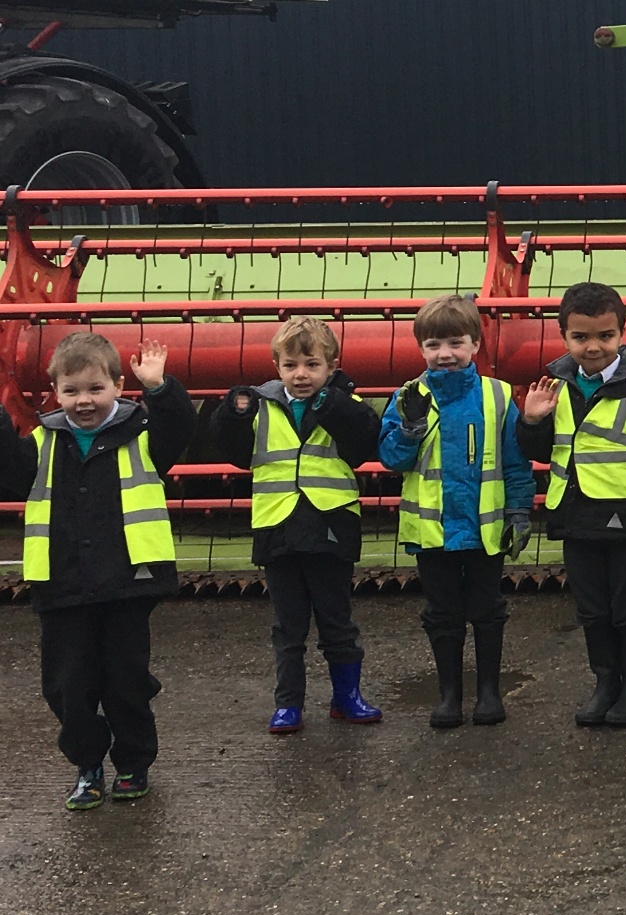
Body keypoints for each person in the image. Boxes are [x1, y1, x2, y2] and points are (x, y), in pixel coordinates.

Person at [0, 333, 193, 810]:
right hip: (61, 584)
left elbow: (179, 428)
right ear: (55, 393)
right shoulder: (42, 442)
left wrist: (161, 389)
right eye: (72, 391)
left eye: (95, 389)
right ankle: (88, 763)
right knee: (66, 686)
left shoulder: (143, 433)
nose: (84, 401)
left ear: (118, 386)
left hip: (128, 583)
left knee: (125, 682)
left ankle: (132, 764)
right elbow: (8, 468)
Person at [517, 282, 626, 729]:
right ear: (564, 336)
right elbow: (539, 449)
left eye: (605, 336)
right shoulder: (555, 389)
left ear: (623, 333)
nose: (594, 347)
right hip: (575, 515)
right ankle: (604, 682)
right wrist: (531, 419)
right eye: (581, 337)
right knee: (591, 606)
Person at [214, 317, 383, 734]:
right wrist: (232, 416)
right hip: (278, 526)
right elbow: (236, 454)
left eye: (312, 364)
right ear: (276, 366)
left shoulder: (347, 402)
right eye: (290, 365)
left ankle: (347, 698)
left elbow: (363, 445)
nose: (301, 374)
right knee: (287, 626)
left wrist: (335, 402)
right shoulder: (259, 406)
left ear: (332, 365)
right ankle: (288, 704)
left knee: (336, 620)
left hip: (330, 523)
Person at [378, 295, 535, 729]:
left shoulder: (498, 397)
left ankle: (488, 692)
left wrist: (519, 511)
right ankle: (450, 695)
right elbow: (391, 459)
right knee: (442, 613)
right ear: (421, 349)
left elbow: (516, 463)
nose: (444, 354)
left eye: (454, 343)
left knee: (488, 610)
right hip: (432, 532)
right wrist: (409, 431)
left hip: (485, 531)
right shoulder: (408, 397)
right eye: (433, 345)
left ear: (475, 345)